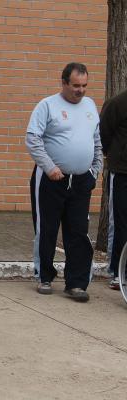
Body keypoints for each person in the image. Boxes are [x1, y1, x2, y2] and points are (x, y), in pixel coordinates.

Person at [26, 62, 103, 302]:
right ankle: (45, 276)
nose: (80, 90)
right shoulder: (47, 106)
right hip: (51, 180)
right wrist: (49, 167)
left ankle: (76, 283)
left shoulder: (90, 106)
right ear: (64, 83)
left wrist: (94, 171)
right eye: (76, 85)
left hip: (81, 181)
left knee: (78, 232)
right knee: (47, 229)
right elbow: (33, 139)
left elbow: (97, 142)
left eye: (84, 86)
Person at [100, 89, 127, 290]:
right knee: (120, 222)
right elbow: (104, 135)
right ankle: (118, 271)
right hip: (121, 173)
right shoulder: (117, 103)